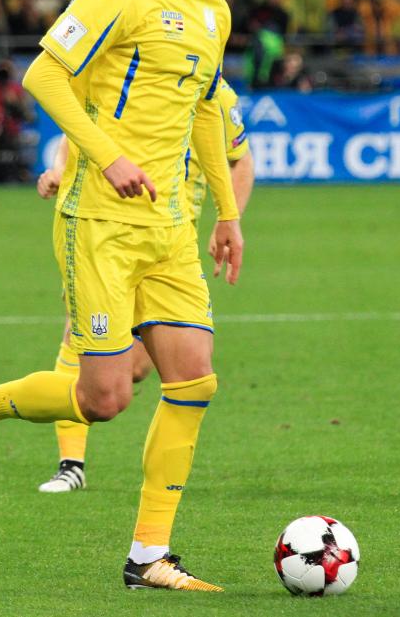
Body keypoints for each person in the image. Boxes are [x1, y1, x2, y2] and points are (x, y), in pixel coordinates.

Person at [0, 0, 242, 593]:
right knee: (104, 399)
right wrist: (107, 157)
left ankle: (148, 556)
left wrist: (228, 212)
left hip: (170, 227)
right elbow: (43, 76)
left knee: (194, 379)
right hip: (99, 221)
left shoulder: (214, 12)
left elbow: (205, 111)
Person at [35, 78, 254, 495]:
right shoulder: (130, 76)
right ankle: (70, 464)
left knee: (133, 373)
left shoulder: (213, 91)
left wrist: (229, 217)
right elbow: (77, 125)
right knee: (78, 340)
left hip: (170, 247)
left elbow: (240, 160)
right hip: (108, 236)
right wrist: (61, 170)